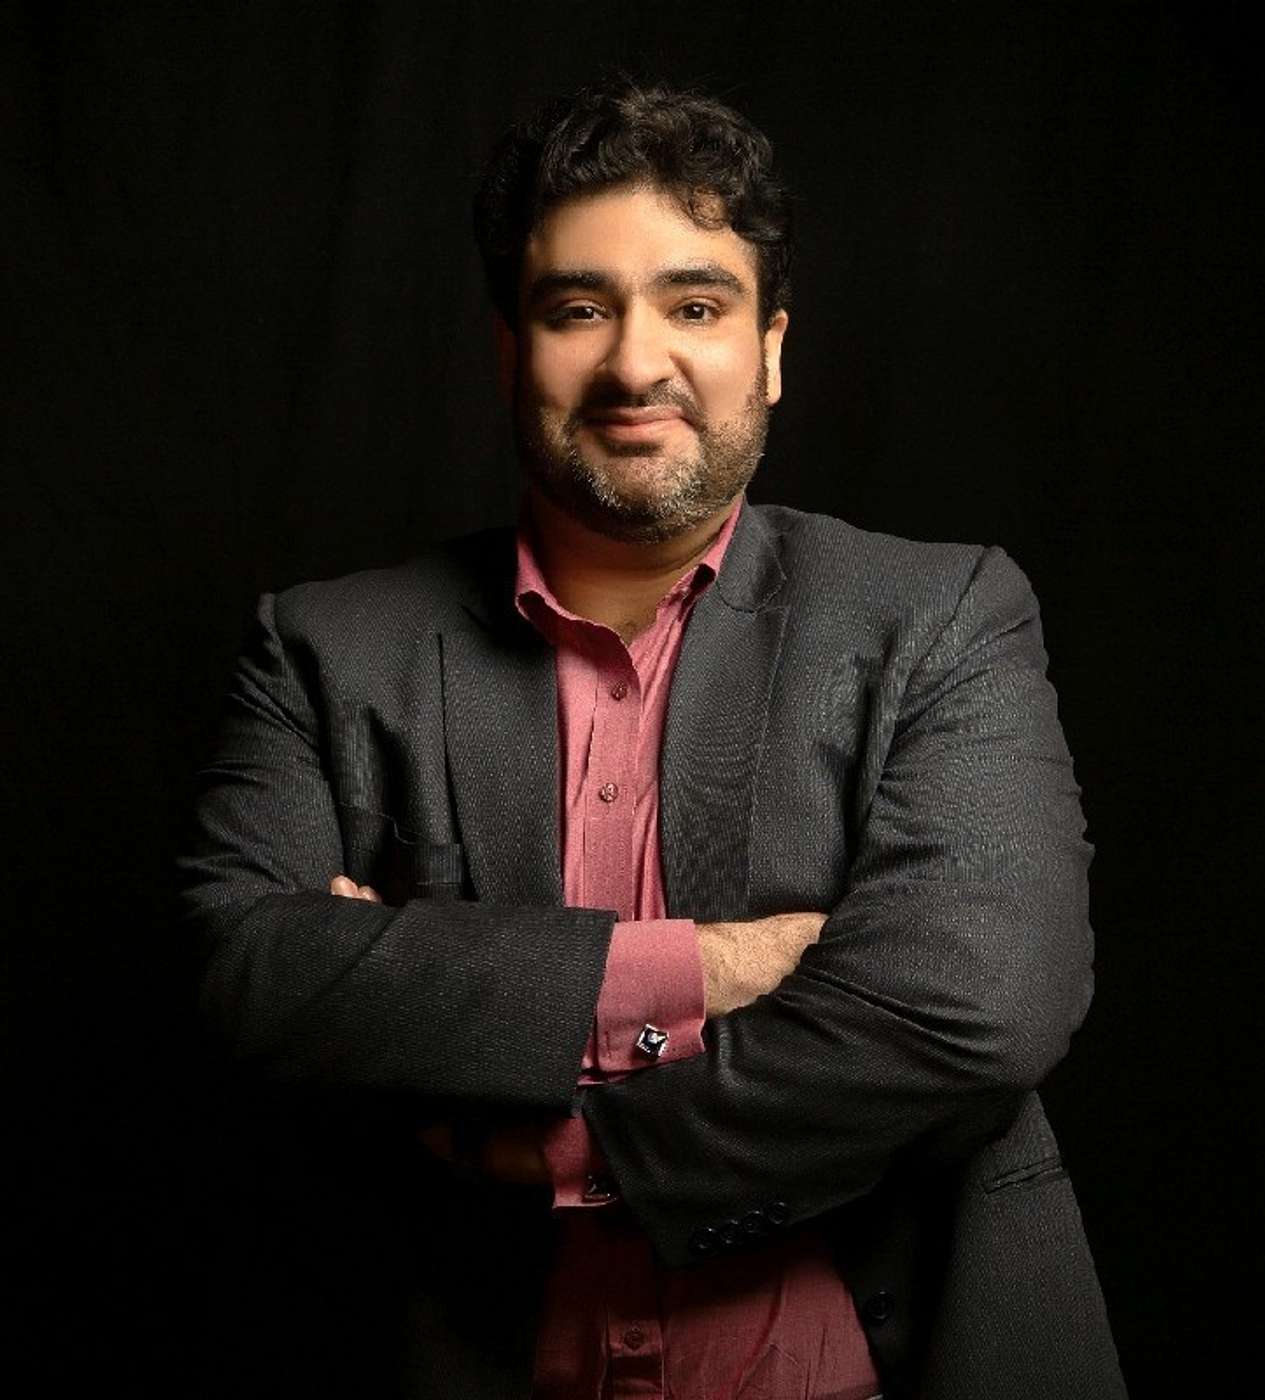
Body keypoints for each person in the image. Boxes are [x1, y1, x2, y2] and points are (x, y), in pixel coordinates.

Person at [179, 77, 1127, 1400]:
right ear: (508, 349)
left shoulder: (942, 617)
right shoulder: (325, 648)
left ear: (771, 348)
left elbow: (982, 1007)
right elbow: (245, 972)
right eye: (579, 309)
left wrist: (571, 1142)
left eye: (695, 306)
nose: (635, 365)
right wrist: (714, 967)